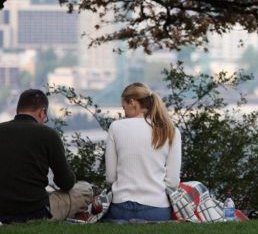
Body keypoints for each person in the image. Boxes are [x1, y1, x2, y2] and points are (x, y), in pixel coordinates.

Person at [0, 89, 93, 224]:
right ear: (42, 112)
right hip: (36, 211)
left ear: (18, 109)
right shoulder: (48, 135)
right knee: (85, 189)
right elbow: (65, 183)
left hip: (2, 211)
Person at [103, 82, 181, 222]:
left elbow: (110, 178)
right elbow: (173, 182)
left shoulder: (116, 127)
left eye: (124, 107)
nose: (124, 112)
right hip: (156, 210)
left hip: (120, 209)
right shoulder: (171, 130)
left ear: (132, 102)